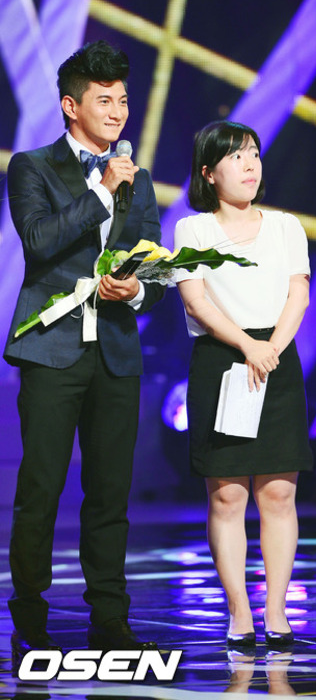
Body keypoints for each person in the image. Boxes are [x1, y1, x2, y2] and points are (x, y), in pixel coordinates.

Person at [4, 40, 164, 664]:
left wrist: (138, 289)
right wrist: (100, 191)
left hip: (116, 350)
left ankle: (110, 621)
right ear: (72, 106)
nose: (118, 111)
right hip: (52, 349)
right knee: (41, 488)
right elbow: (39, 240)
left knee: (110, 492)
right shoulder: (32, 166)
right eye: (104, 100)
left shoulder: (137, 179)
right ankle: (30, 618)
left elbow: (153, 257)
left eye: (123, 99)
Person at [174, 120, 313, 648]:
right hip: (222, 360)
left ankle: (276, 609)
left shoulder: (286, 226)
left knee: (278, 494)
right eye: (235, 156)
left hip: (276, 358)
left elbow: (298, 293)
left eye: (253, 153)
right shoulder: (193, 230)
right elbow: (196, 301)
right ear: (209, 173)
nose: (250, 163)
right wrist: (247, 345)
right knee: (228, 496)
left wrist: (270, 346)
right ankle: (239, 611)